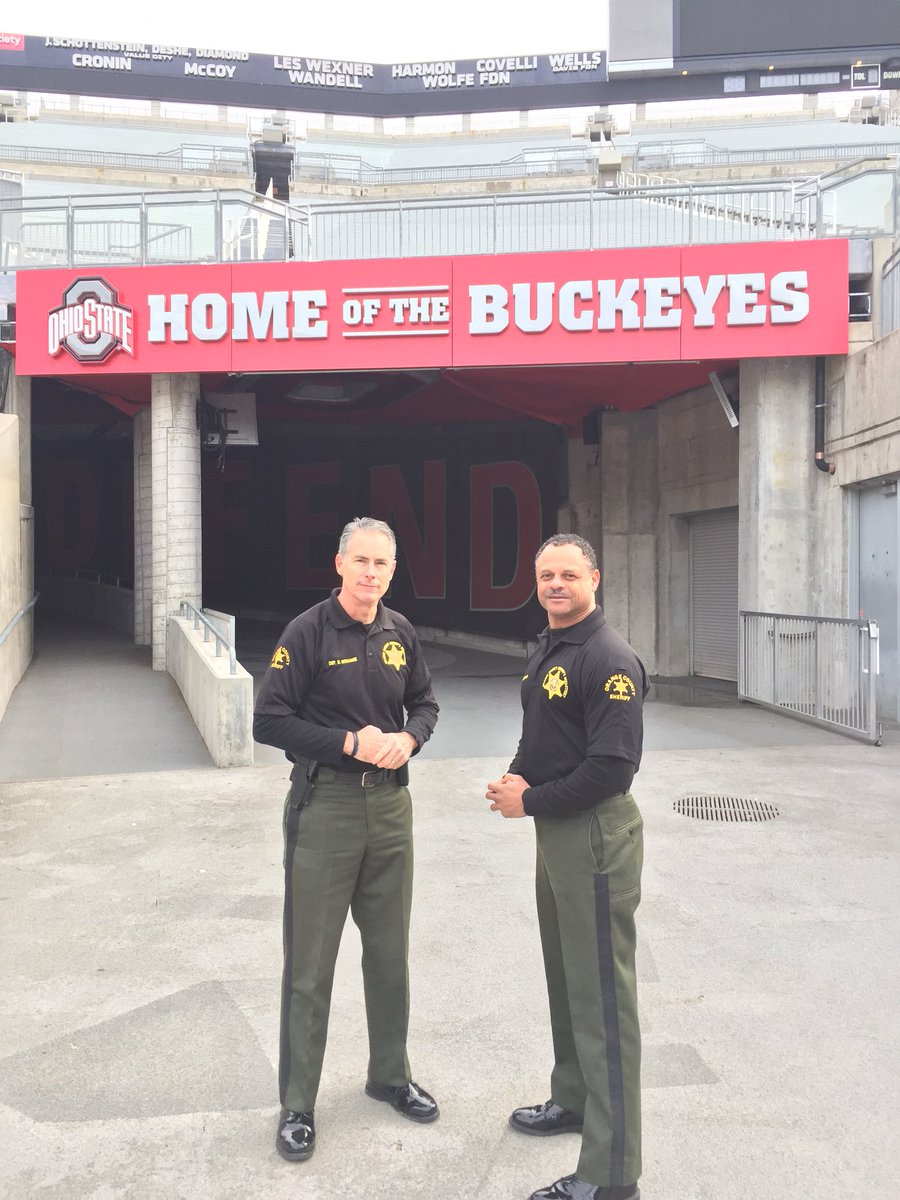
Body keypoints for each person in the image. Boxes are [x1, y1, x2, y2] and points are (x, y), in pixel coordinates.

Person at [254, 516, 440, 1163]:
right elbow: (268, 720)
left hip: (390, 810)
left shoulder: (400, 633)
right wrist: (345, 743)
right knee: (310, 966)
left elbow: (426, 704)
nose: (370, 574)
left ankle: (390, 1074)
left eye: (381, 564)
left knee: (389, 955)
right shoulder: (307, 633)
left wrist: (408, 737)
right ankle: (298, 1104)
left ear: (392, 570)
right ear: (339, 564)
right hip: (325, 808)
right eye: (360, 561)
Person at [486, 533, 647, 1200]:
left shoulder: (609, 660)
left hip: (593, 835)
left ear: (595, 580)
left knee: (602, 1002)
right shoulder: (550, 645)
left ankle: (611, 1177)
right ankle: (574, 1099)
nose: (555, 584)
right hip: (555, 833)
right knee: (568, 980)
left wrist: (533, 801)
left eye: (568, 575)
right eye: (546, 573)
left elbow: (612, 767)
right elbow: (543, 734)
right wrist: (517, 777)